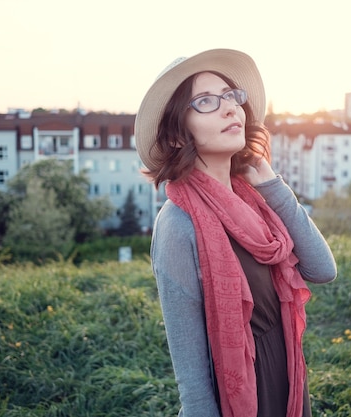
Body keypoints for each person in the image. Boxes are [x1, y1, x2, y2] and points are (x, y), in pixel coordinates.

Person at [134, 49, 337, 417]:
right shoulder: (178, 224)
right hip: (241, 396)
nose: (230, 108)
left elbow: (322, 269)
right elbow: (192, 380)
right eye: (207, 102)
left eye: (231, 96)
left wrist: (273, 185)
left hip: (287, 377)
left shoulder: (255, 199)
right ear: (178, 135)